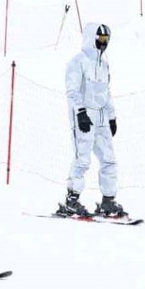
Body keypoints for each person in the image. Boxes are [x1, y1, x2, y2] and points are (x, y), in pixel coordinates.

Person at [60, 22, 123, 218]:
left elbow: (106, 92)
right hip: (85, 115)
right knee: (83, 158)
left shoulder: (104, 63)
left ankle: (108, 200)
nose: (103, 43)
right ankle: (72, 199)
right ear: (91, 38)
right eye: (100, 38)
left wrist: (112, 117)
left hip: (102, 115)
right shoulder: (78, 62)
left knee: (109, 159)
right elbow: (72, 90)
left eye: (106, 39)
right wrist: (80, 112)